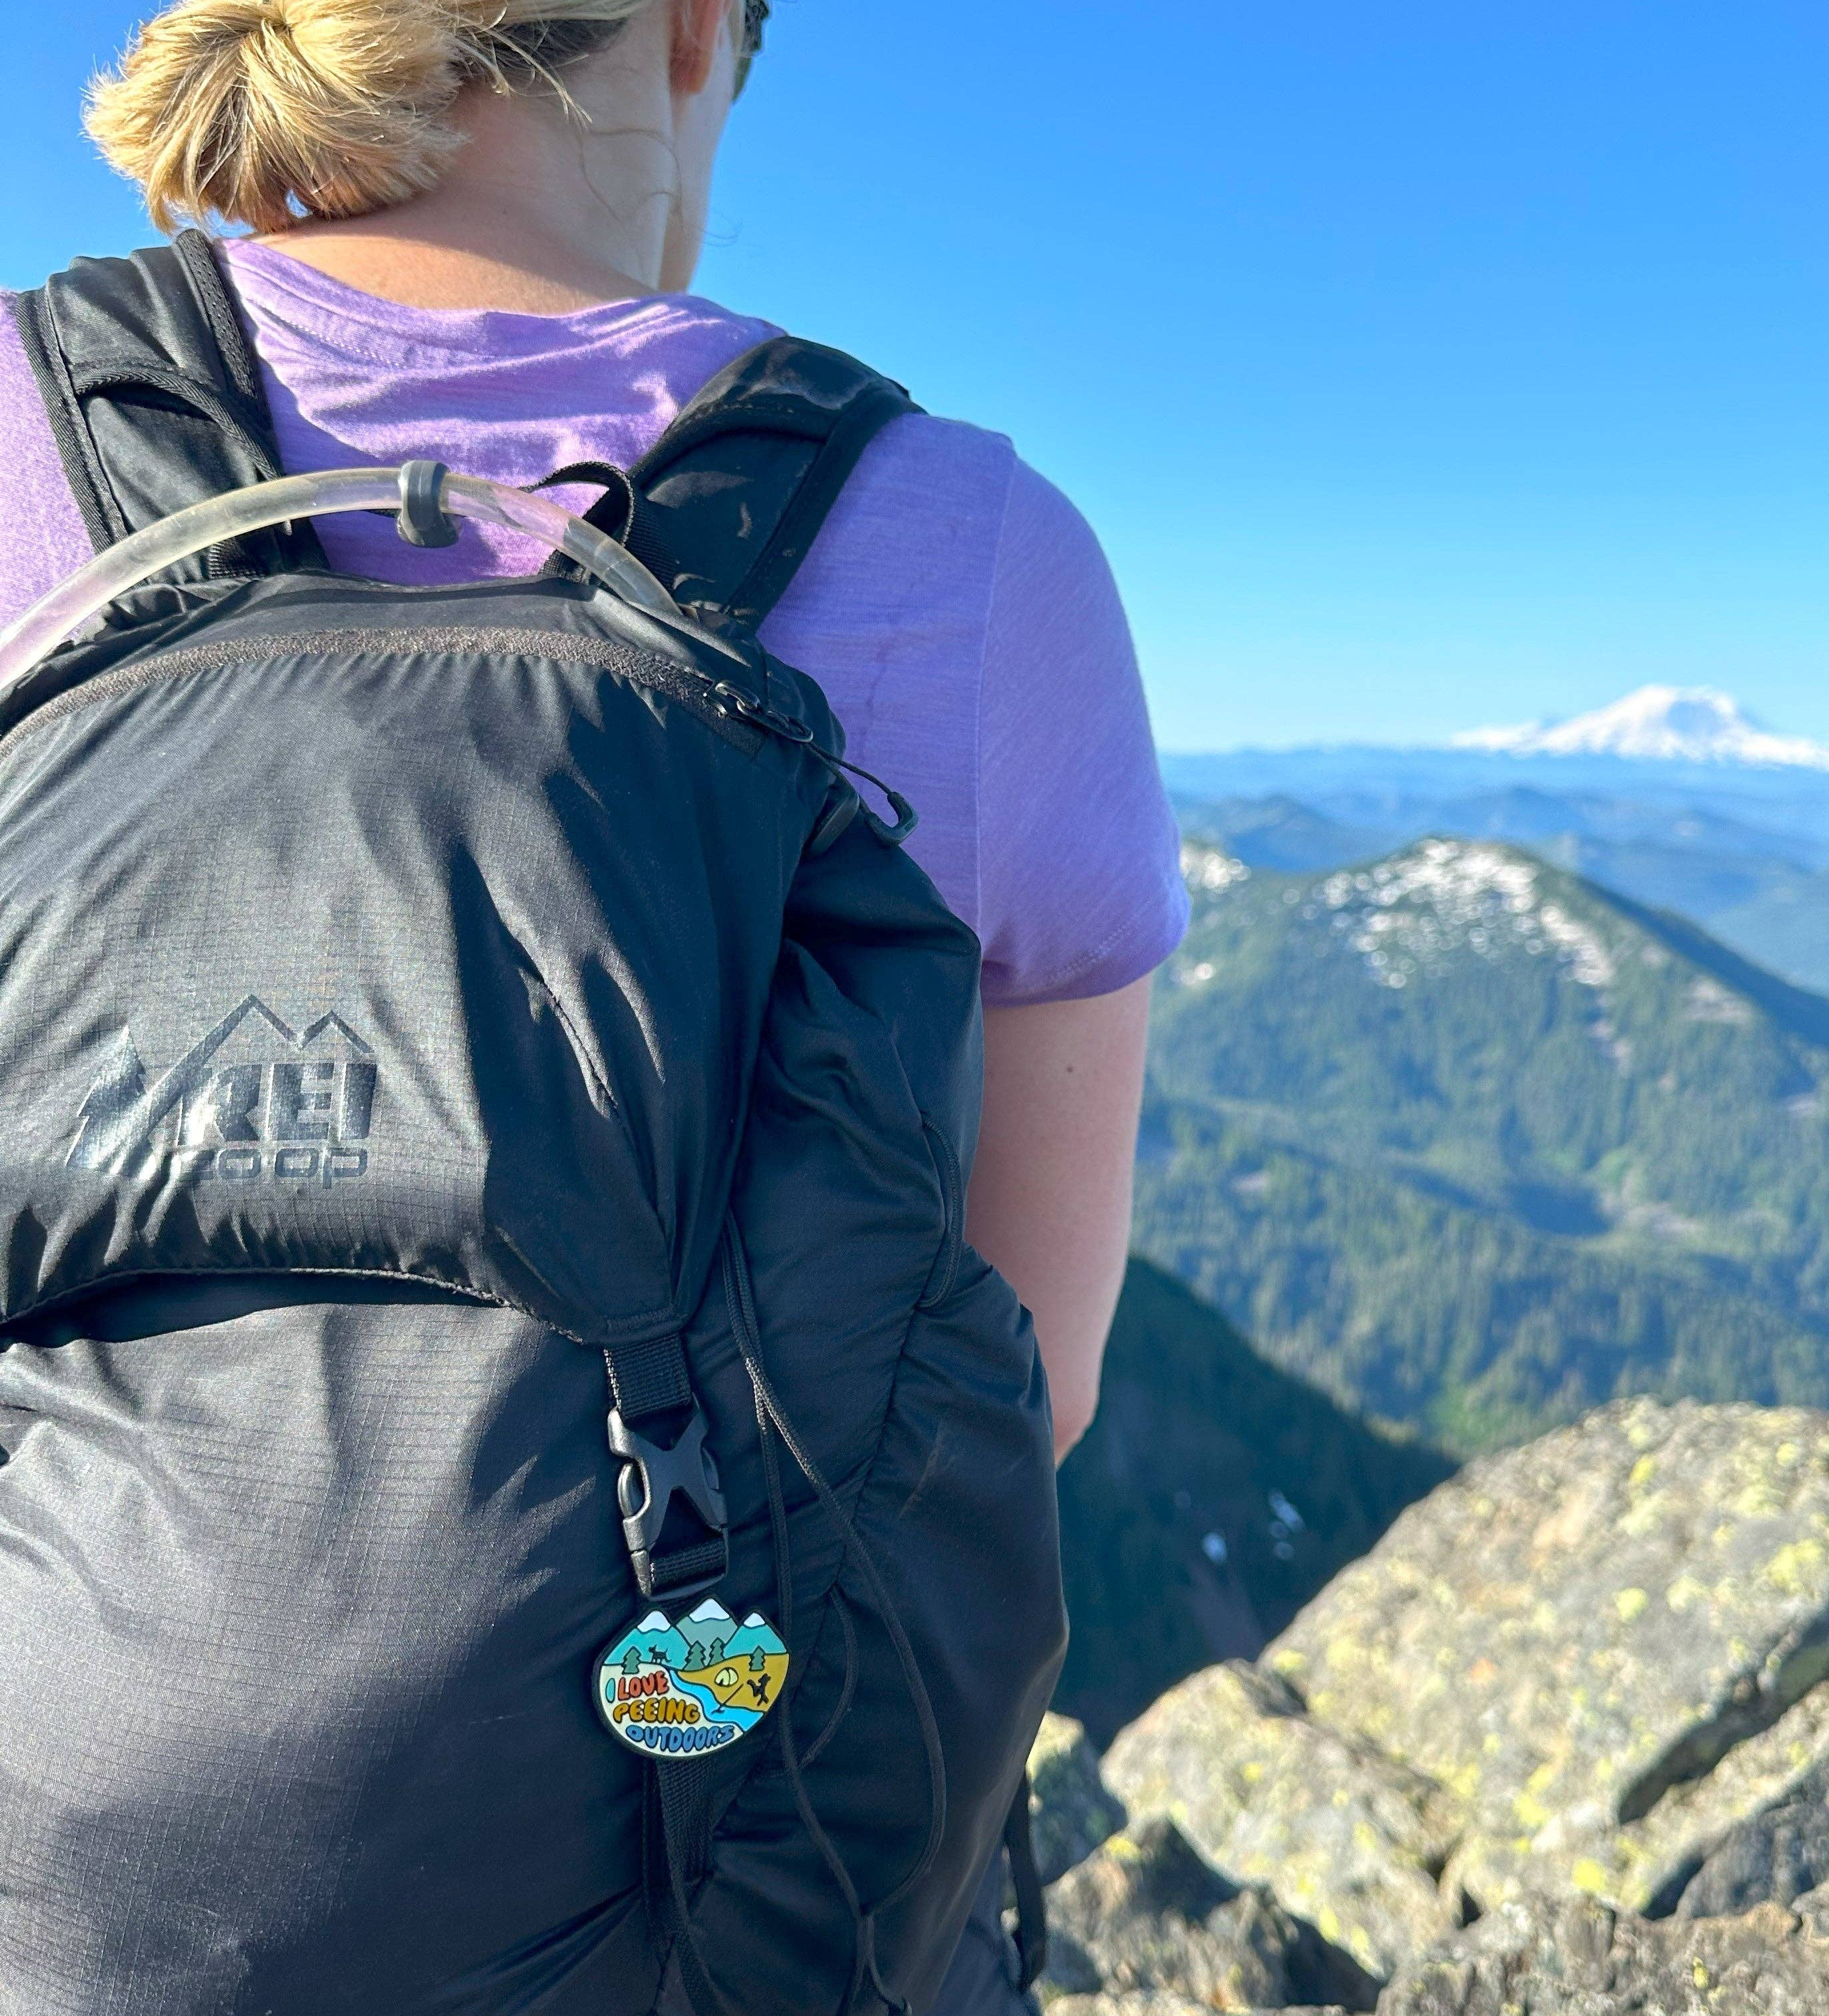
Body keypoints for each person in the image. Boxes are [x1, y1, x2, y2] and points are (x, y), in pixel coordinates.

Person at [0, 1, 1186, 2007]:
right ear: (703, 31)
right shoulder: (970, 553)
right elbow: (1015, 1379)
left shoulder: (26, 435)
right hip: (709, 1904)